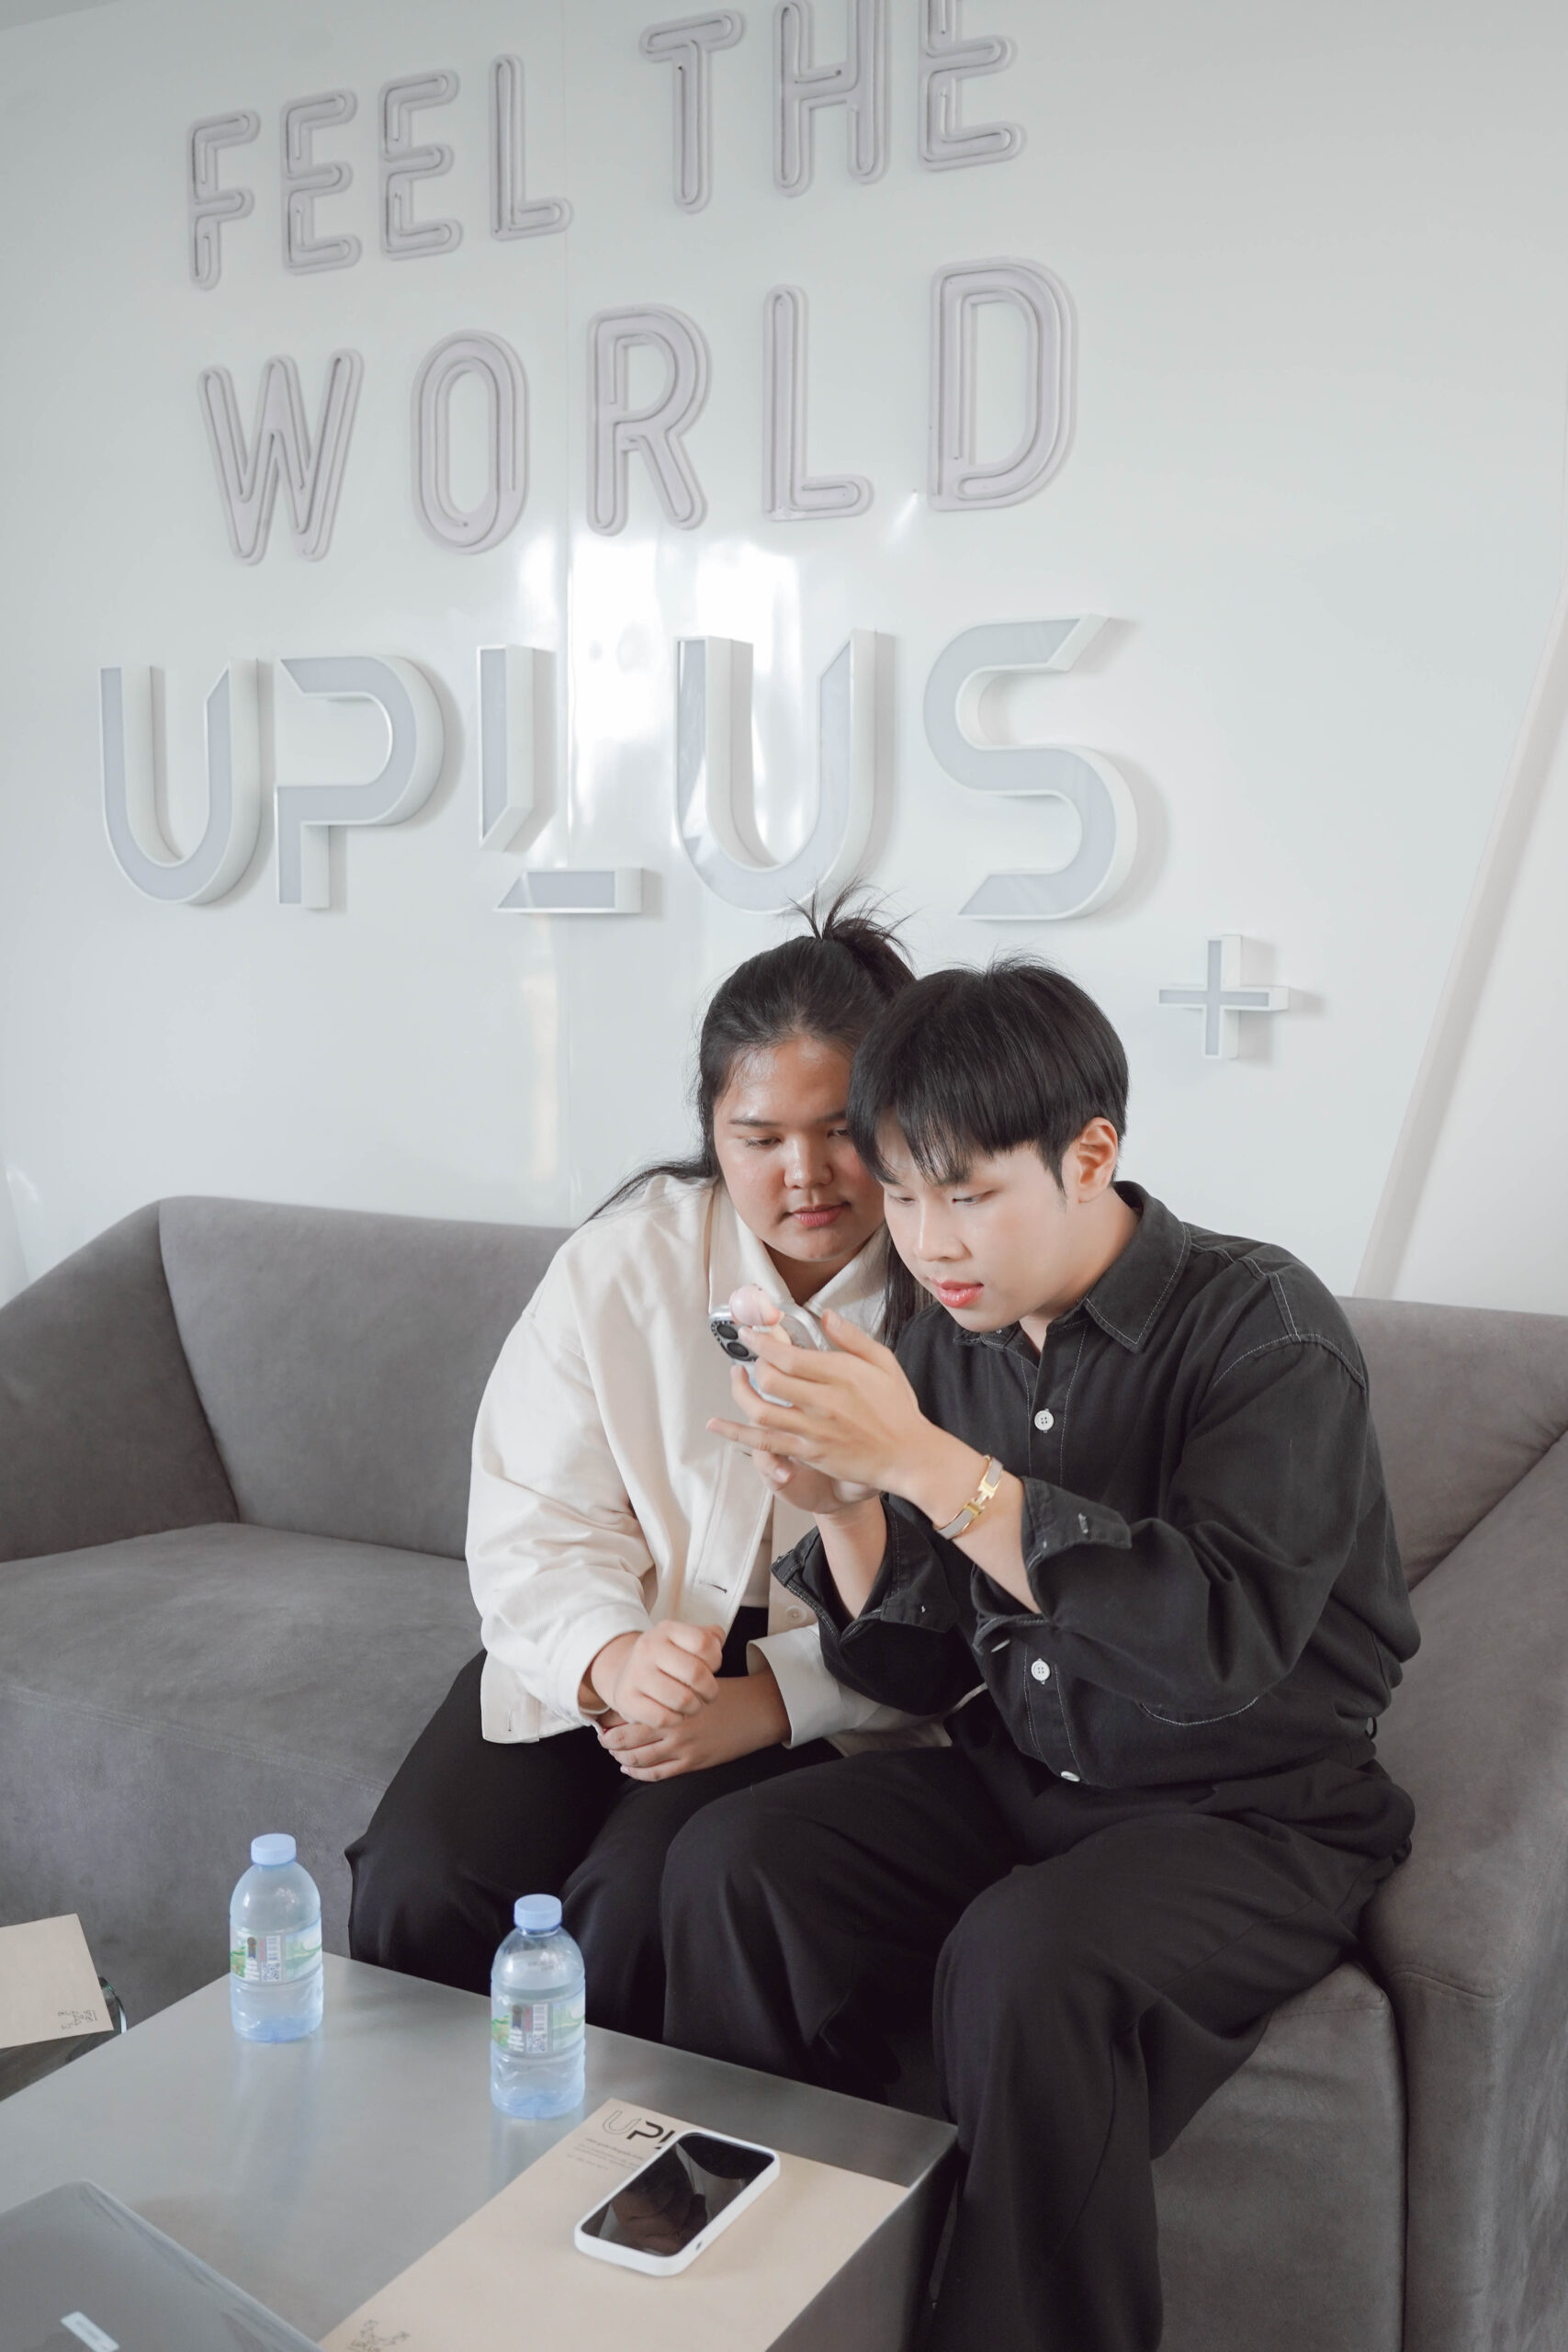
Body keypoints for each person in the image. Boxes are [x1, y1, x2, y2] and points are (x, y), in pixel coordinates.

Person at [671, 959, 1419, 2352]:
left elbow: (1214, 1640)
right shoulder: (944, 1339)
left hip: (1253, 1816)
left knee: (1027, 1964)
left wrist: (930, 1468)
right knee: (734, 1861)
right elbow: (911, 1673)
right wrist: (844, 1509)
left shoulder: (1265, 1326)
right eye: (903, 1196)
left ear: (1088, 1156)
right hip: (1023, 1778)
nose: (927, 1241)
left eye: (966, 1195)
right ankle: (761, 2299)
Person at [345, 899, 927, 2037]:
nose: (805, 1174)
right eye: (759, 1138)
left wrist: (774, 1698)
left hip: (828, 1684)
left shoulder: (959, 1284)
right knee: (420, 1886)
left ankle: (618, 2154)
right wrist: (611, 1658)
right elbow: (534, 1516)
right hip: (611, 1635)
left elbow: (959, 1613)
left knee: (635, 1914)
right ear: (712, 1128)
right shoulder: (622, 1264)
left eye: (841, 1130)